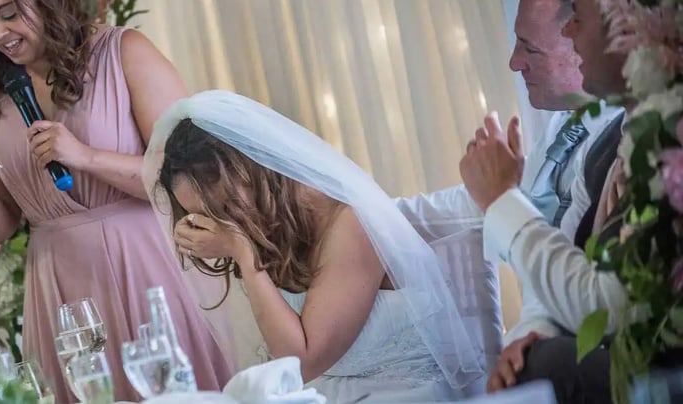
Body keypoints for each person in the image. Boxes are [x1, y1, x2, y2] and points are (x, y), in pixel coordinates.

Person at [0, 0, 232, 401]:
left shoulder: (125, 52)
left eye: (8, 14)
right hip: (58, 287)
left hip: (147, 264)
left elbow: (193, 178)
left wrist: (87, 158)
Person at [145, 90, 487, 402]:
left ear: (251, 172)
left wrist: (245, 256)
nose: (213, 225)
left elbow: (301, 360)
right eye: (198, 216)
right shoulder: (265, 227)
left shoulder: (349, 222)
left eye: (219, 209)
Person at [458, 0, 634, 400]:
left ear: (627, 31)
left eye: (580, 22)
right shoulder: (605, 144)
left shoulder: (666, 142)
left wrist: (503, 199)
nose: (514, 62)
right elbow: (570, 258)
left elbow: (607, 307)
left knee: (547, 368)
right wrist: (530, 336)